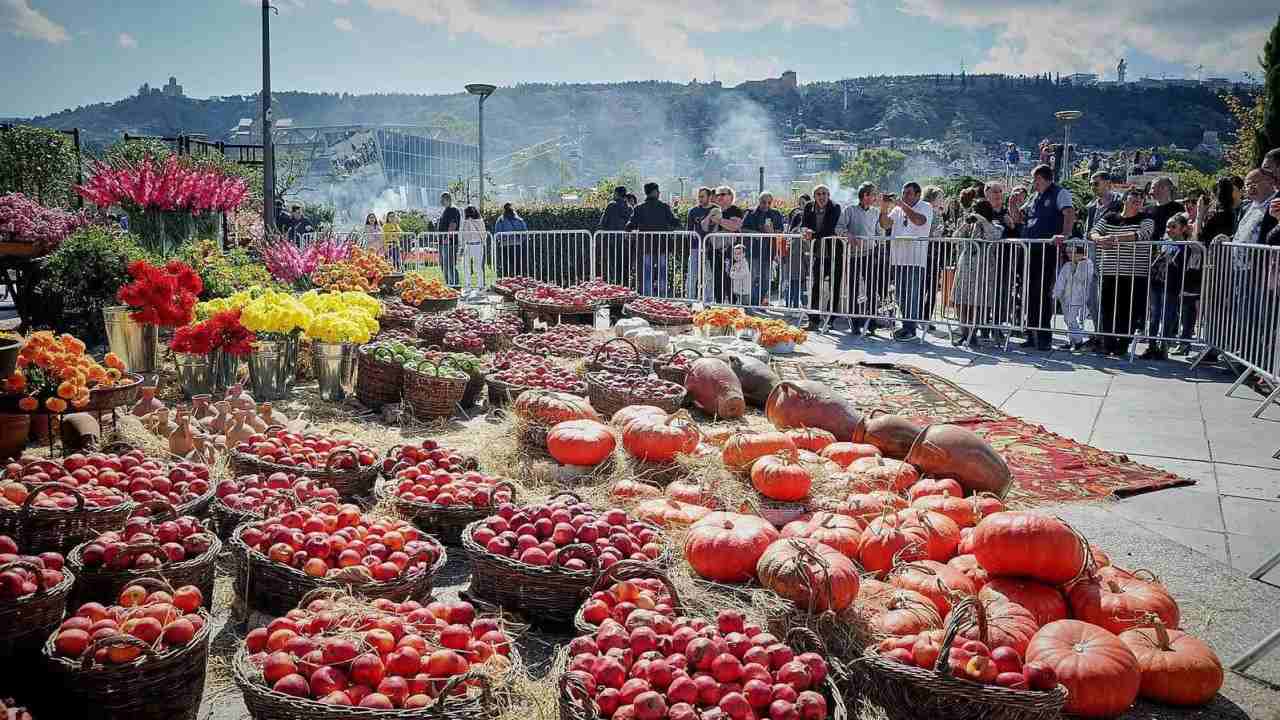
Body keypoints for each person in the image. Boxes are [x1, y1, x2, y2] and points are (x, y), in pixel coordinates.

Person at [1090, 189, 1154, 357]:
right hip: (1109, 270)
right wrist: (1099, 239)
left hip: (1134, 272)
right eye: (1134, 200)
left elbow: (1143, 235)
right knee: (1107, 308)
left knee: (1129, 309)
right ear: (1125, 200)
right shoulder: (1111, 217)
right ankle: (1108, 342)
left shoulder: (1146, 219)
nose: (1138, 203)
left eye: (1140, 201)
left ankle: (1123, 344)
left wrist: (1114, 239)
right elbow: (1094, 231)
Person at [1021, 164, 1076, 350]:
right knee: (1029, 292)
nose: (1033, 184)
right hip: (1031, 249)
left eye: (1035, 180)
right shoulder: (1035, 196)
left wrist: (1065, 235)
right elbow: (1023, 216)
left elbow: (1069, 213)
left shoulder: (1060, 193)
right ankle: (1031, 334)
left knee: (1043, 292)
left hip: (1048, 250)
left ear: (1045, 178)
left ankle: (1043, 337)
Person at [835, 182, 888, 334]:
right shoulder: (849, 210)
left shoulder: (875, 212)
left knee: (872, 289)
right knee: (853, 288)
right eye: (873, 195)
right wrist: (848, 235)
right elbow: (839, 228)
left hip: (870, 255)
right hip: (853, 256)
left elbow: (879, 232)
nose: (875, 198)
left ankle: (871, 322)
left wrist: (878, 242)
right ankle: (854, 322)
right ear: (865, 195)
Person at [884, 182, 933, 340]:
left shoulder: (925, 206)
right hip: (898, 257)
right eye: (903, 193)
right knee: (900, 295)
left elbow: (920, 221)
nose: (905, 196)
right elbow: (885, 224)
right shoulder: (898, 209)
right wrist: (884, 207)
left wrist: (902, 205)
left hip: (915, 258)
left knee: (912, 294)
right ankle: (906, 325)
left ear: (918, 194)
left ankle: (910, 329)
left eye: (909, 193)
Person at [951, 200, 1001, 347]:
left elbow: (995, 237)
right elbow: (955, 237)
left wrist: (983, 220)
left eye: (978, 210)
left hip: (983, 269)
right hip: (965, 267)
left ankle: (972, 335)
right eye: (973, 210)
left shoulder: (994, 224)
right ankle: (964, 333)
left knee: (976, 304)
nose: (974, 213)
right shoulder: (968, 225)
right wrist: (966, 223)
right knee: (960, 302)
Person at [1144, 212, 1192, 360]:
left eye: (1173, 227)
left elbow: (1179, 267)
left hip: (1171, 287)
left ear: (1183, 229)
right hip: (1157, 283)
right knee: (1154, 317)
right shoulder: (1164, 243)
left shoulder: (1185, 247)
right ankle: (1151, 346)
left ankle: (1163, 347)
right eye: (1168, 227)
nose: (1169, 230)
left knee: (1167, 317)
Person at [798, 185, 842, 330]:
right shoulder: (808, 207)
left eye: (824, 194)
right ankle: (813, 320)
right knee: (816, 286)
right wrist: (805, 230)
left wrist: (813, 235)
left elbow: (830, 228)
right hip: (818, 253)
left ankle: (830, 320)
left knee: (834, 287)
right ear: (814, 196)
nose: (822, 196)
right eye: (818, 194)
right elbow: (804, 224)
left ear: (828, 195)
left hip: (835, 252)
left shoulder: (835, 207)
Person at [626, 182, 679, 296]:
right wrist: (675, 210)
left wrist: (628, 230)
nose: (659, 193)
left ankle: (647, 297)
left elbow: (631, 225)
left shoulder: (639, 208)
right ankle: (663, 296)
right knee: (662, 271)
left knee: (646, 272)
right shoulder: (664, 207)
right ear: (655, 192)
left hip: (646, 246)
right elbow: (674, 222)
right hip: (662, 246)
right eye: (658, 191)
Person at [741, 191, 786, 309]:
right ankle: (751, 303)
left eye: (769, 202)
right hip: (753, 251)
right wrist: (759, 233)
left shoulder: (776, 214)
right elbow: (743, 229)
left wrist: (770, 232)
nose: (766, 205)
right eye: (763, 202)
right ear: (759, 201)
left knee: (766, 278)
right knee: (752, 277)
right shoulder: (750, 213)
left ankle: (761, 301)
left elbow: (780, 232)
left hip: (768, 252)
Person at [1053, 243, 1095, 351]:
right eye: (1068, 252)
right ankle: (1072, 340)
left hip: (1078, 297)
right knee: (1067, 319)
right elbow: (1060, 280)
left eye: (1073, 252)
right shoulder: (1067, 265)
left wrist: (1077, 265)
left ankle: (1078, 340)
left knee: (1071, 319)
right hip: (1065, 297)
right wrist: (1057, 292)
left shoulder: (1087, 264)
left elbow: (1084, 278)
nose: (1070, 255)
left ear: (1081, 253)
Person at [705, 186, 744, 303]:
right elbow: (704, 227)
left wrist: (719, 221)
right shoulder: (714, 210)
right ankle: (719, 302)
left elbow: (734, 226)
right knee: (717, 277)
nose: (719, 197)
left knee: (730, 276)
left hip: (730, 250)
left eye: (723, 194)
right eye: (718, 195)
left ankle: (733, 303)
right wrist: (708, 217)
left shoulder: (735, 210)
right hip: (714, 250)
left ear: (731, 196)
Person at [921, 186, 947, 329]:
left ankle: (926, 317)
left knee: (932, 287)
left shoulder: (940, 213)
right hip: (927, 251)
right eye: (939, 197)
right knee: (924, 285)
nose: (942, 200)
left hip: (936, 252)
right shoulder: (928, 211)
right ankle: (921, 316)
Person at [686, 187, 715, 302]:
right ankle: (690, 299)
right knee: (692, 274)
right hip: (695, 247)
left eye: (702, 196)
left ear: (709, 197)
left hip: (710, 248)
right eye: (699, 196)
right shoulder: (693, 211)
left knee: (708, 275)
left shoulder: (715, 210)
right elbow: (689, 229)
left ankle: (708, 300)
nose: (700, 199)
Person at [493, 203, 528, 278]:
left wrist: (501, 240)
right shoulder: (519, 219)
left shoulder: (501, 220)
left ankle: (506, 281)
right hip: (517, 244)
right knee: (518, 265)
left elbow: (497, 233)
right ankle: (519, 280)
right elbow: (525, 232)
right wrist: (520, 240)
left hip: (505, 245)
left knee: (505, 265)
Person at [459, 205, 487, 295]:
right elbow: (484, 234)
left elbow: (463, 235)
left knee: (471, 266)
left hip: (472, 245)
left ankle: (474, 286)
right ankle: (475, 285)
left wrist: (462, 247)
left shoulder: (470, 222)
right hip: (475, 245)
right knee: (474, 266)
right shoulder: (478, 221)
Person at [1147, 177, 1184, 243]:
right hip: (1150, 249)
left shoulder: (1179, 208)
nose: (1150, 192)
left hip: (1170, 248)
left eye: (1152, 188)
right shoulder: (1146, 210)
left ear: (1164, 188)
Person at [438, 193, 461, 287]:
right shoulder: (446, 210)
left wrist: (448, 238)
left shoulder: (453, 210)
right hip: (444, 242)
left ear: (447, 199)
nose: (441, 202)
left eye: (442, 200)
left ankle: (454, 284)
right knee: (444, 265)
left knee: (449, 264)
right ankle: (449, 284)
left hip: (449, 243)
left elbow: (453, 224)